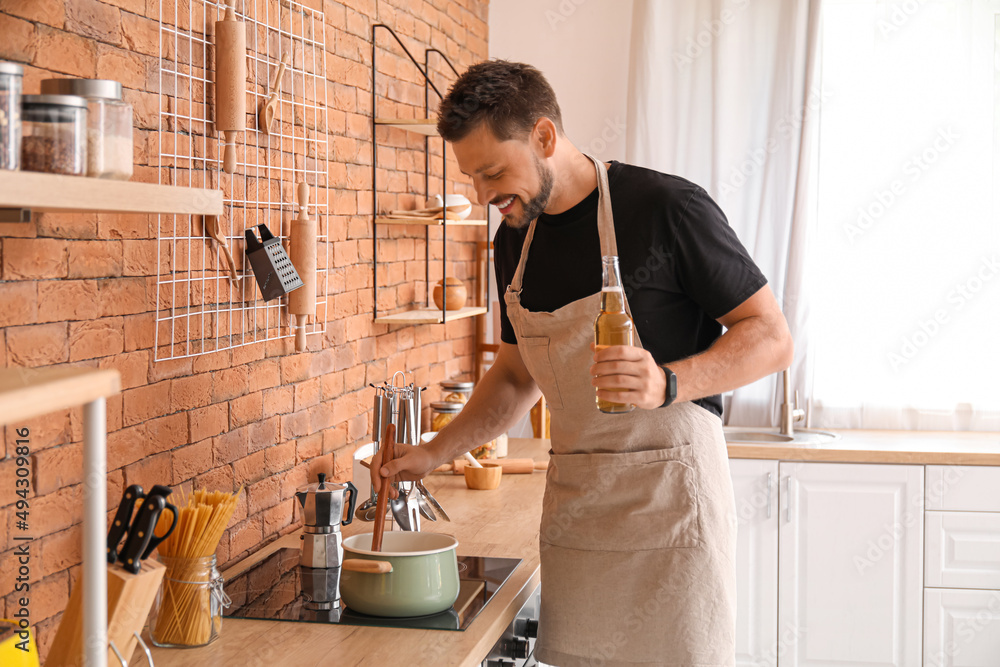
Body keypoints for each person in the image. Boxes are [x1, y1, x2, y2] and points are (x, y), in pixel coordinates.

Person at [371, 60, 793, 667]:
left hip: (670, 514)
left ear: (544, 137)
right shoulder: (515, 240)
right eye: (472, 179)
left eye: (492, 172)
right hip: (580, 519)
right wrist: (433, 452)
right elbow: (517, 378)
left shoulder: (667, 208)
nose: (486, 197)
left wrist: (670, 381)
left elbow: (772, 336)